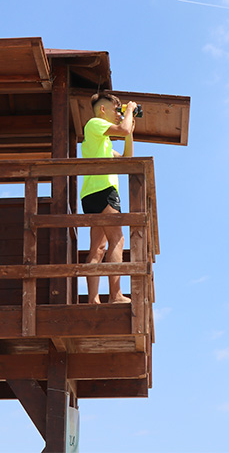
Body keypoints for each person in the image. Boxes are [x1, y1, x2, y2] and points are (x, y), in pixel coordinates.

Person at [80, 91, 137, 305]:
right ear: (102, 109)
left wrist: (129, 131)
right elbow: (121, 129)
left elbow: (127, 159)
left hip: (91, 194)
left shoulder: (100, 141)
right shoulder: (94, 123)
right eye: (116, 109)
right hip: (104, 191)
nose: (118, 113)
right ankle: (116, 295)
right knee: (118, 240)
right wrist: (129, 110)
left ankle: (93, 300)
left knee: (98, 248)